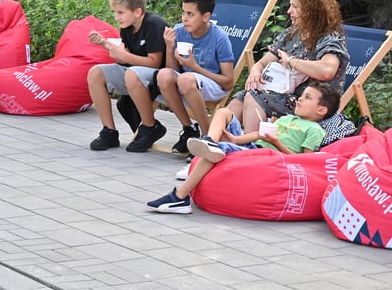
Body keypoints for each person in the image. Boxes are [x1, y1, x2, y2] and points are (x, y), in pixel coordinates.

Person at [146, 81, 341, 214]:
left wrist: (277, 143)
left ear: (321, 110)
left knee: (218, 151)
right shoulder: (288, 118)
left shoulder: (314, 130)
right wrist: (235, 139)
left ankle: (180, 196)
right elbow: (258, 135)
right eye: (303, 95)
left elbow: (306, 161)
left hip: (266, 155)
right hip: (254, 145)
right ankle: (209, 140)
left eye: (307, 97)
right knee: (224, 112)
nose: (299, 99)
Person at [228, 0, 349, 135]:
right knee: (240, 98)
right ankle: (220, 146)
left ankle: (253, 151)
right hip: (285, 96)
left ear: (311, 10)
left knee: (255, 97)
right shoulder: (290, 35)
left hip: (310, 106)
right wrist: (255, 71)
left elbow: (327, 70)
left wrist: (291, 61)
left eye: (295, 6)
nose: (288, 11)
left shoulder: (329, 39)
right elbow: (263, 62)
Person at [124, 0, 235, 153]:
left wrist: (194, 67)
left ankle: (207, 137)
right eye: (183, 13)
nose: (184, 18)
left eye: (190, 14)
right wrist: (169, 48)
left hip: (212, 86)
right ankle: (189, 129)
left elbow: (228, 83)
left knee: (185, 79)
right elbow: (172, 71)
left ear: (205, 17)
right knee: (163, 74)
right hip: (187, 82)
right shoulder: (179, 32)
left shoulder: (219, 38)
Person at [86, 0, 169, 150]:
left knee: (132, 73)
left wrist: (124, 56)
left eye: (120, 12)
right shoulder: (127, 28)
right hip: (134, 74)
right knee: (95, 73)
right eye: (115, 12)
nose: (116, 17)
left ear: (137, 12)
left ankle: (150, 127)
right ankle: (109, 132)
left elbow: (155, 63)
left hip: (160, 77)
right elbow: (126, 60)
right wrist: (105, 44)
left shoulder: (153, 25)